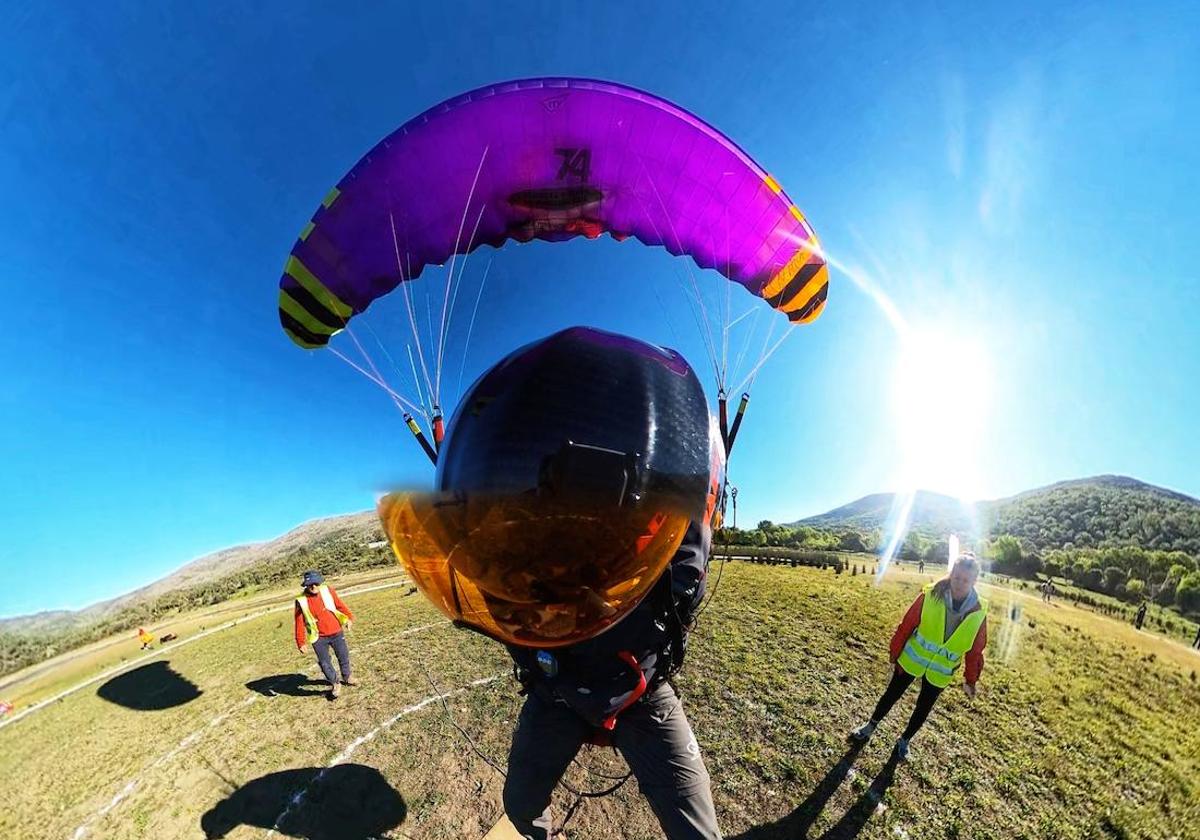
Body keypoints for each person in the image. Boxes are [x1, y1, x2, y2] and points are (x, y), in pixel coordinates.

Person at [401, 327, 722, 839]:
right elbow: (480, 563)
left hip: (639, 691)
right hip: (557, 691)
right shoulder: (521, 547)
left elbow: (686, 563)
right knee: (521, 802)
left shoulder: (655, 542)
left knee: (696, 830)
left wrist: (697, 488)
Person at [849, 553, 988, 760]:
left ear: (974, 581)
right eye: (957, 577)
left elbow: (975, 650)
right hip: (912, 660)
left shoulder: (979, 611)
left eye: (966, 580)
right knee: (891, 694)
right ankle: (870, 726)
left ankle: (904, 741)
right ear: (951, 574)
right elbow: (907, 624)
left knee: (923, 708)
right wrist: (895, 651)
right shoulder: (930, 595)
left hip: (940, 672)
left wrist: (970, 680)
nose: (959, 583)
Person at [294, 570, 356, 699]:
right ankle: (335, 683)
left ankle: (347, 676)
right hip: (318, 637)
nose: (313, 587)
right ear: (306, 585)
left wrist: (349, 617)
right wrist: (301, 642)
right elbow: (299, 622)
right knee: (324, 662)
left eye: (316, 583)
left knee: (343, 655)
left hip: (336, 632)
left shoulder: (328, 591)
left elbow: (339, 605)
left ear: (320, 582)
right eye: (310, 584)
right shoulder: (301, 600)